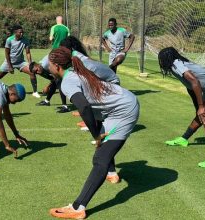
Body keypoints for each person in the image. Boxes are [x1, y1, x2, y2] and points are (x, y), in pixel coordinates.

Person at [48, 47, 139, 219]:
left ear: (57, 66)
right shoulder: (76, 73)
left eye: (50, 64)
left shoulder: (68, 81)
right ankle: (111, 173)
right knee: (102, 152)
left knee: (100, 159)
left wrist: (96, 134)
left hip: (125, 110)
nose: (48, 67)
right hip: (119, 107)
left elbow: (84, 106)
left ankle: (78, 208)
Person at [158, 47, 205, 168]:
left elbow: (194, 81)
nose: (160, 62)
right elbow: (191, 88)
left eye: (161, 59)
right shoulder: (176, 67)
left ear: (166, 58)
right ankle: (183, 139)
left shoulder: (176, 64)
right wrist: (198, 107)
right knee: (201, 114)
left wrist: (200, 106)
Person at [0, 24, 40, 98]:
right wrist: (10, 66)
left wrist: (30, 63)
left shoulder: (25, 40)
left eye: (22, 32)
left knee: (32, 72)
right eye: (20, 32)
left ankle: (35, 92)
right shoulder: (9, 40)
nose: (22, 34)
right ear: (15, 32)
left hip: (20, 62)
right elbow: (7, 53)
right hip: (9, 62)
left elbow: (28, 52)